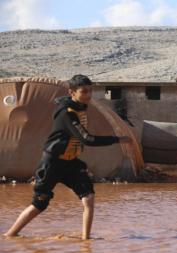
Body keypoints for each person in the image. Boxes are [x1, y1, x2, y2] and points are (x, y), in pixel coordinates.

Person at [3, 74, 131, 240]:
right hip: (53, 163)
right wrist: (119, 139)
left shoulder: (80, 107)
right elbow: (87, 139)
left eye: (90, 91)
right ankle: (10, 235)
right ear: (72, 92)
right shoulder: (67, 113)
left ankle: (86, 241)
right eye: (84, 91)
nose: (89, 95)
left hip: (70, 162)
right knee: (39, 204)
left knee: (89, 197)